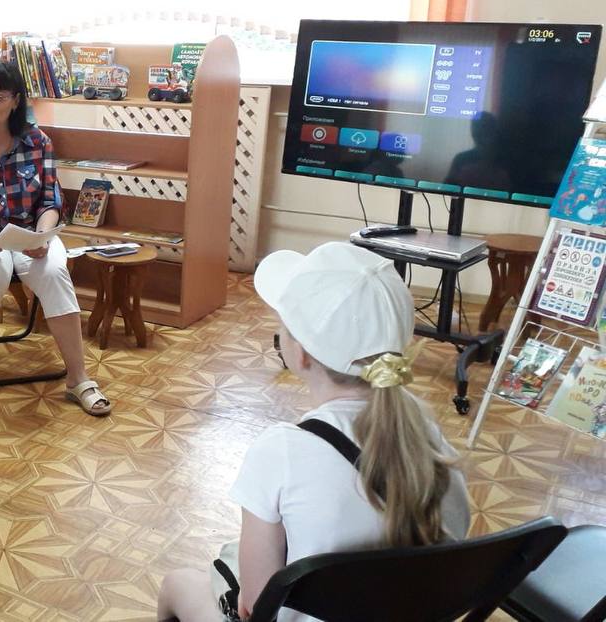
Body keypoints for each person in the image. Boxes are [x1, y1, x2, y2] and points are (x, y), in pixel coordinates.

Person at [156, 242, 470, 622]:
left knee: (178, 583)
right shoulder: (426, 429)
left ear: (301, 353)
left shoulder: (282, 450)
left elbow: (255, 605)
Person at [0, 60, 111, 417]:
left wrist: (42, 236)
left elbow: (51, 201)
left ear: (16, 100)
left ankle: (78, 379)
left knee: (54, 273)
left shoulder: (37, 141)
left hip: (28, 235)